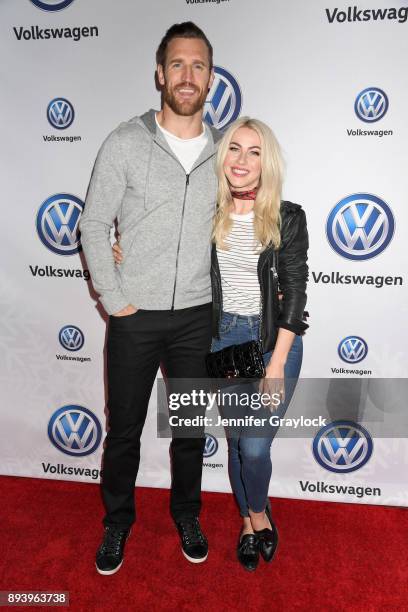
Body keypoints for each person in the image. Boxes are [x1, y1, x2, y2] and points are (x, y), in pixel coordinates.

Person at [114, 116, 309, 571]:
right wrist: (123, 247)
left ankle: (260, 514)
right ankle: (247, 521)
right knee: (239, 443)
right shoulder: (210, 211)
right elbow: (165, 242)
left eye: (254, 151)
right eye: (235, 149)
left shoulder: (288, 216)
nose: (242, 160)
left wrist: (277, 363)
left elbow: (296, 294)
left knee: (256, 447)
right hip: (223, 340)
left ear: (267, 163)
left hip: (271, 342)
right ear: (223, 158)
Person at [79, 22, 222, 575]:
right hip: (135, 316)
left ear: (211, 78)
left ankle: (187, 513)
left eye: (199, 66)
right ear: (160, 74)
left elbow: (247, 220)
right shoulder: (124, 141)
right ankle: (117, 523)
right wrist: (114, 299)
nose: (188, 76)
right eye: (178, 65)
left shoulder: (226, 149)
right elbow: (94, 224)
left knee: (189, 430)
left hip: (195, 315)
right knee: (124, 430)